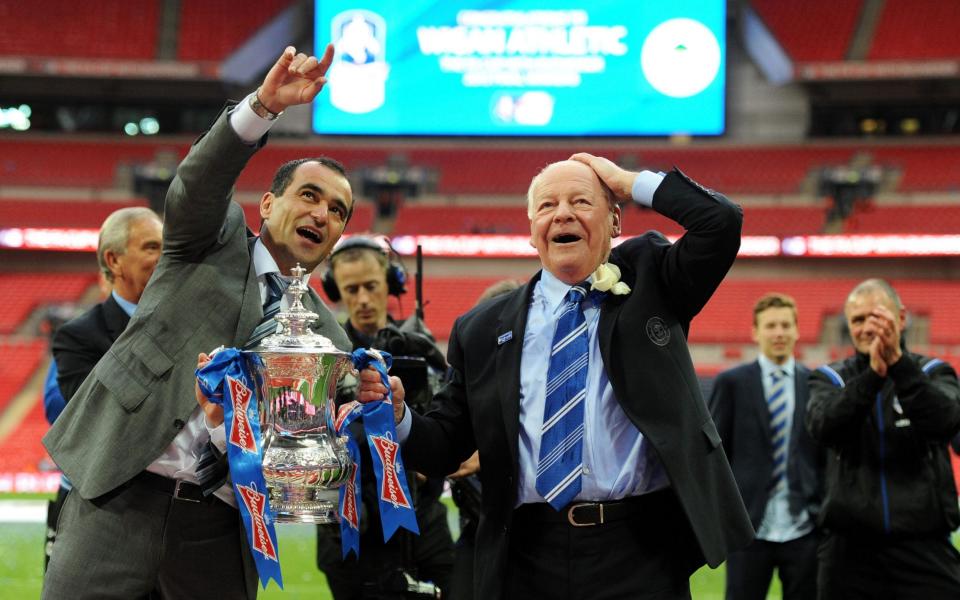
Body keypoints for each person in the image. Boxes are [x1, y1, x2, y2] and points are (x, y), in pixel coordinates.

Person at [359, 155, 754, 599]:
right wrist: (400, 417)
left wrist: (626, 181)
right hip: (526, 553)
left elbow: (720, 222)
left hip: (640, 549)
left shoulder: (652, 278)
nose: (562, 213)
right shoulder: (482, 328)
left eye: (581, 201)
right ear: (532, 231)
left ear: (615, 219)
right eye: (546, 206)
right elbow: (447, 443)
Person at [43, 45, 354, 600]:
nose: (321, 215)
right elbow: (198, 182)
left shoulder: (329, 342)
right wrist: (262, 106)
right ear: (266, 204)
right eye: (310, 196)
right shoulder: (209, 240)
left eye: (337, 212)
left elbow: (298, 459)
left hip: (220, 529)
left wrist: (382, 406)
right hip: (116, 496)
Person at [316, 235, 454, 599]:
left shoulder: (419, 348)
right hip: (348, 524)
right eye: (351, 288)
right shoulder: (323, 358)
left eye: (371, 286)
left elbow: (449, 421)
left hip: (421, 518)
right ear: (336, 290)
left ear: (390, 284)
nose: (362, 299)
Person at [807, 278, 960, 599]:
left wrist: (899, 367)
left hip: (924, 545)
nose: (866, 328)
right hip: (849, 551)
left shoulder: (934, 371)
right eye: (857, 320)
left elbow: (946, 422)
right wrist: (872, 379)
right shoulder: (830, 378)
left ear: (901, 318)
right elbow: (823, 427)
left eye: (876, 317)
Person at [42, 206, 163, 572]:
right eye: (152, 247)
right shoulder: (78, 336)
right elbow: (91, 419)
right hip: (107, 509)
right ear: (114, 260)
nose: (165, 257)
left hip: (179, 517)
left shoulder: (188, 326)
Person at [708, 293, 821, 600]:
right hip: (749, 528)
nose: (779, 333)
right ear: (755, 332)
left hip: (804, 527)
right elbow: (716, 453)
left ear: (798, 330)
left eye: (786, 325)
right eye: (771, 326)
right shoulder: (731, 383)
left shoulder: (815, 384)